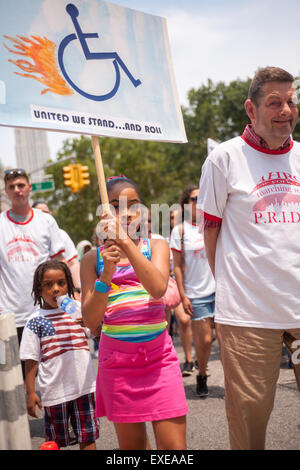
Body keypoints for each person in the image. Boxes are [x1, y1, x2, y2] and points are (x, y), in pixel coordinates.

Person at [198, 66, 300, 449]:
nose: (285, 110)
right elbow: (211, 233)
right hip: (249, 317)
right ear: (251, 109)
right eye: (274, 102)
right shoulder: (224, 159)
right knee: (250, 422)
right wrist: (230, 293)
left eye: (290, 101)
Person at [80, 175, 188, 450]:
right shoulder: (92, 259)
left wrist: (127, 243)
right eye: (116, 205)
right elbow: (91, 321)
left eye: (134, 204)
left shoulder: (158, 245)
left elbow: (156, 288)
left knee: (174, 449)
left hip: (159, 360)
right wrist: (106, 273)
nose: (126, 212)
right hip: (117, 365)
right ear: (104, 212)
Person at [19, 259, 99, 449]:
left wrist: (92, 325)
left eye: (61, 283)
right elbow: (31, 359)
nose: (55, 289)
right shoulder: (35, 321)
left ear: (69, 285)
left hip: (84, 387)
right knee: (55, 441)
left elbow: (97, 335)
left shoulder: (79, 310)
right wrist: (30, 392)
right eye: (48, 285)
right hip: (55, 392)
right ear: (39, 290)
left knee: (87, 437)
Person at [0, 169, 66, 377]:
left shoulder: (45, 221)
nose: (17, 190)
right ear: (6, 191)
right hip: (10, 316)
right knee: (15, 380)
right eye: (11, 187)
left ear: (29, 187)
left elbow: (60, 265)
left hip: (45, 311)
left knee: (51, 374)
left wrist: (66, 300)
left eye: (20, 185)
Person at [170, 185, 221, 397]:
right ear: (186, 204)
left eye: (201, 197)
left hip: (220, 291)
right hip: (196, 295)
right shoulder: (180, 231)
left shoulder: (214, 224)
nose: (198, 201)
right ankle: (201, 373)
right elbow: (178, 268)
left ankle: (236, 382)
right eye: (193, 198)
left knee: (226, 339)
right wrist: (183, 296)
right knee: (206, 340)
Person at [32, 200, 81, 292]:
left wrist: (77, 289)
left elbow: (72, 263)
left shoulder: (61, 234)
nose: (44, 216)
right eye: (39, 213)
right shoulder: (27, 234)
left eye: (46, 213)